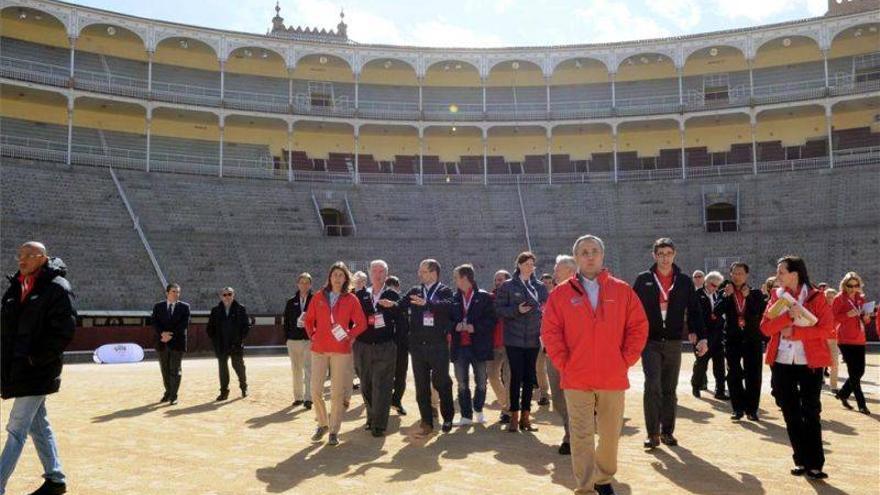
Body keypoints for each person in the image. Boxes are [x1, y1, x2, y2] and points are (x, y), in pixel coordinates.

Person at [542, 235, 649, 495]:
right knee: (581, 435)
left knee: (611, 434)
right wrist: (564, 363)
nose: (589, 256)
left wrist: (624, 360)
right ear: (576, 258)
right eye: (584, 252)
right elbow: (551, 332)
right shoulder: (561, 294)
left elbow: (638, 327)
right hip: (576, 377)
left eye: (594, 251)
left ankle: (603, 478)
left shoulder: (622, 290)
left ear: (602, 256)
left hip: (612, 375)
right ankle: (585, 486)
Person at [0, 242, 76, 495]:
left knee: (16, 428)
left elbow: (63, 331)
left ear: (42, 258)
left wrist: (36, 359)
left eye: (28, 256)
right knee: (37, 424)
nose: (21, 260)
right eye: (19, 255)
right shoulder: (15, 286)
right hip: (17, 370)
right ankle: (55, 479)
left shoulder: (57, 289)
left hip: (37, 370)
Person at [761, 255, 833, 480]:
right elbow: (765, 328)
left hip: (809, 363)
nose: (778, 275)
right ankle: (800, 459)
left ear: (795, 274)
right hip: (782, 362)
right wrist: (786, 319)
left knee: (811, 412)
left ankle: (816, 464)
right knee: (790, 412)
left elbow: (827, 329)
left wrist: (797, 332)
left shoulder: (816, 296)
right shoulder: (776, 296)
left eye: (782, 271)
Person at [632, 238, 703, 449]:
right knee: (652, 385)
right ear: (654, 255)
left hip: (673, 341)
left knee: (669, 389)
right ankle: (652, 433)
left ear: (674, 254)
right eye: (660, 253)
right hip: (650, 341)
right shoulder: (643, 279)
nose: (664, 257)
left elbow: (694, 309)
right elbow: (632, 310)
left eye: (668, 253)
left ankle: (667, 432)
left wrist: (697, 332)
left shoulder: (683, 280)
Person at [380, 259, 456, 435]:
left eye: (423, 271)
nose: (419, 274)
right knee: (421, 386)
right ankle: (426, 422)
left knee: (441, 382)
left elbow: (449, 307)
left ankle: (448, 417)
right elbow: (402, 304)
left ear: (433, 273)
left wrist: (428, 304)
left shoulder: (444, 291)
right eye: (420, 271)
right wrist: (393, 305)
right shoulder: (415, 290)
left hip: (438, 346)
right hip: (417, 346)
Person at [303, 262, 368, 446]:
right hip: (319, 349)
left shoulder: (351, 299)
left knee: (337, 393)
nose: (337, 278)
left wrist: (349, 336)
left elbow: (361, 323)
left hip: (341, 350)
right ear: (329, 277)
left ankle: (333, 430)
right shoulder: (318, 297)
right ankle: (323, 423)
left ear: (346, 278)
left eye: (341, 275)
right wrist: (313, 336)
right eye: (334, 275)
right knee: (315, 390)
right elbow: (309, 320)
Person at [495, 251, 549, 432]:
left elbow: (547, 308)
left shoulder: (540, 286)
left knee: (529, 378)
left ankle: (526, 417)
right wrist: (516, 309)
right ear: (518, 265)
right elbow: (499, 310)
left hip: (533, 338)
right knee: (515, 377)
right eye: (526, 263)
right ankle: (514, 416)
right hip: (514, 338)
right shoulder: (508, 286)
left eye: (532, 264)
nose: (530, 267)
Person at [354, 260, 401, 437]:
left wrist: (395, 343)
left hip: (385, 346)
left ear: (386, 275)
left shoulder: (392, 295)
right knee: (365, 384)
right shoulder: (360, 295)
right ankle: (371, 417)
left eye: (381, 271)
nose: (378, 274)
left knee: (383, 385)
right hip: (362, 346)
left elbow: (401, 319)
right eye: (374, 271)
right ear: (369, 274)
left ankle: (379, 424)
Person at [715, 262, 767, 421]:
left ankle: (752, 409)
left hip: (753, 339)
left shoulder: (756, 293)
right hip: (733, 339)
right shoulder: (724, 292)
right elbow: (716, 312)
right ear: (730, 275)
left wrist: (747, 298)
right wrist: (725, 296)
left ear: (746, 275)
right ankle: (737, 408)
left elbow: (760, 312)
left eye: (740, 273)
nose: (737, 276)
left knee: (753, 374)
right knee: (733, 373)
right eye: (734, 273)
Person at [450, 264, 497, 425]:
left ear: (464, 278)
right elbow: (447, 320)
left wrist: (474, 327)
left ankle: (478, 409)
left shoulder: (484, 297)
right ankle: (465, 415)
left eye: (456, 277)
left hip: (479, 346)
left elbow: (492, 320)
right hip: (459, 346)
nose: (454, 280)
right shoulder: (453, 298)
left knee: (482, 381)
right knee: (462, 383)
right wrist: (454, 326)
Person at [832, 272, 872, 414]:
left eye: (856, 285)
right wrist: (846, 315)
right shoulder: (839, 299)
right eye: (850, 285)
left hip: (860, 338)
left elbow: (865, 320)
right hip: (845, 339)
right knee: (853, 372)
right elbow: (832, 319)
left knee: (859, 371)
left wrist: (867, 317)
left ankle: (843, 393)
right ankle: (862, 404)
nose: (853, 288)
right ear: (844, 285)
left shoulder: (861, 298)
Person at [549, 255, 577, 455]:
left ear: (570, 271)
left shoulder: (582, 293)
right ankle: (572, 431)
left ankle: (572, 436)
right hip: (553, 353)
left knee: (574, 396)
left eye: (557, 269)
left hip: (576, 354)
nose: (554, 272)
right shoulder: (554, 294)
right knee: (558, 397)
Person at [206, 287, 250, 401]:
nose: (227, 297)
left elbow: (246, 327)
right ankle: (224, 392)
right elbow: (210, 328)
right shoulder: (215, 310)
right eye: (224, 295)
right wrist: (216, 341)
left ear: (233, 295)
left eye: (229, 294)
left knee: (239, 367)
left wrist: (239, 340)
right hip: (221, 345)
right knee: (223, 369)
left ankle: (244, 387)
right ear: (221, 296)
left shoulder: (240, 309)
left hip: (236, 344)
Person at [151, 283, 190, 405]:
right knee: (165, 370)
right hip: (162, 342)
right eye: (174, 291)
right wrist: (163, 334)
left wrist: (169, 335)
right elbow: (154, 322)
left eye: (178, 292)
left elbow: (184, 325)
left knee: (175, 369)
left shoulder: (185, 307)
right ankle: (168, 392)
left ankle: (173, 395)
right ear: (167, 293)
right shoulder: (158, 306)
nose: (176, 294)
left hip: (177, 342)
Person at [691, 271, 727, 400]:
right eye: (713, 285)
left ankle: (720, 390)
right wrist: (693, 332)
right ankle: (696, 386)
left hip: (718, 334)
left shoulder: (719, 295)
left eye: (718, 286)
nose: (715, 288)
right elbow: (692, 316)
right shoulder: (696, 295)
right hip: (703, 335)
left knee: (720, 364)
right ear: (706, 282)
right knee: (701, 363)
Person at [283, 273, 313, 409]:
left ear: (310, 285)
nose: (304, 285)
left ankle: (309, 398)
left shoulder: (315, 300)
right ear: (298, 284)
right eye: (302, 282)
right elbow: (286, 322)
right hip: (293, 340)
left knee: (309, 369)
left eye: (307, 282)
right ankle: (298, 397)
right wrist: (287, 338)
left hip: (309, 339)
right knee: (296, 370)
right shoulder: (291, 302)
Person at [488, 270, 512, 424]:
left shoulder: (515, 297)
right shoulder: (490, 298)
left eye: (501, 280)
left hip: (511, 343)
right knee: (491, 375)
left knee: (508, 378)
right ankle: (507, 404)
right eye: (496, 280)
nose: (498, 282)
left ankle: (506, 411)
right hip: (494, 343)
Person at [385, 275, 409, 416]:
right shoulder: (401, 299)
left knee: (386, 374)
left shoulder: (379, 296)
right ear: (398, 286)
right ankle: (396, 401)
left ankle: (386, 401)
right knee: (400, 374)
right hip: (401, 343)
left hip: (385, 342)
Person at [823, 288, 840, 395]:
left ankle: (833, 385)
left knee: (834, 363)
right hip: (822, 337)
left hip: (833, 338)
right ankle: (820, 380)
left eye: (832, 297)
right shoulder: (821, 308)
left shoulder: (837, 309)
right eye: (828, 297)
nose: (830, 299)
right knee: (819, 362)